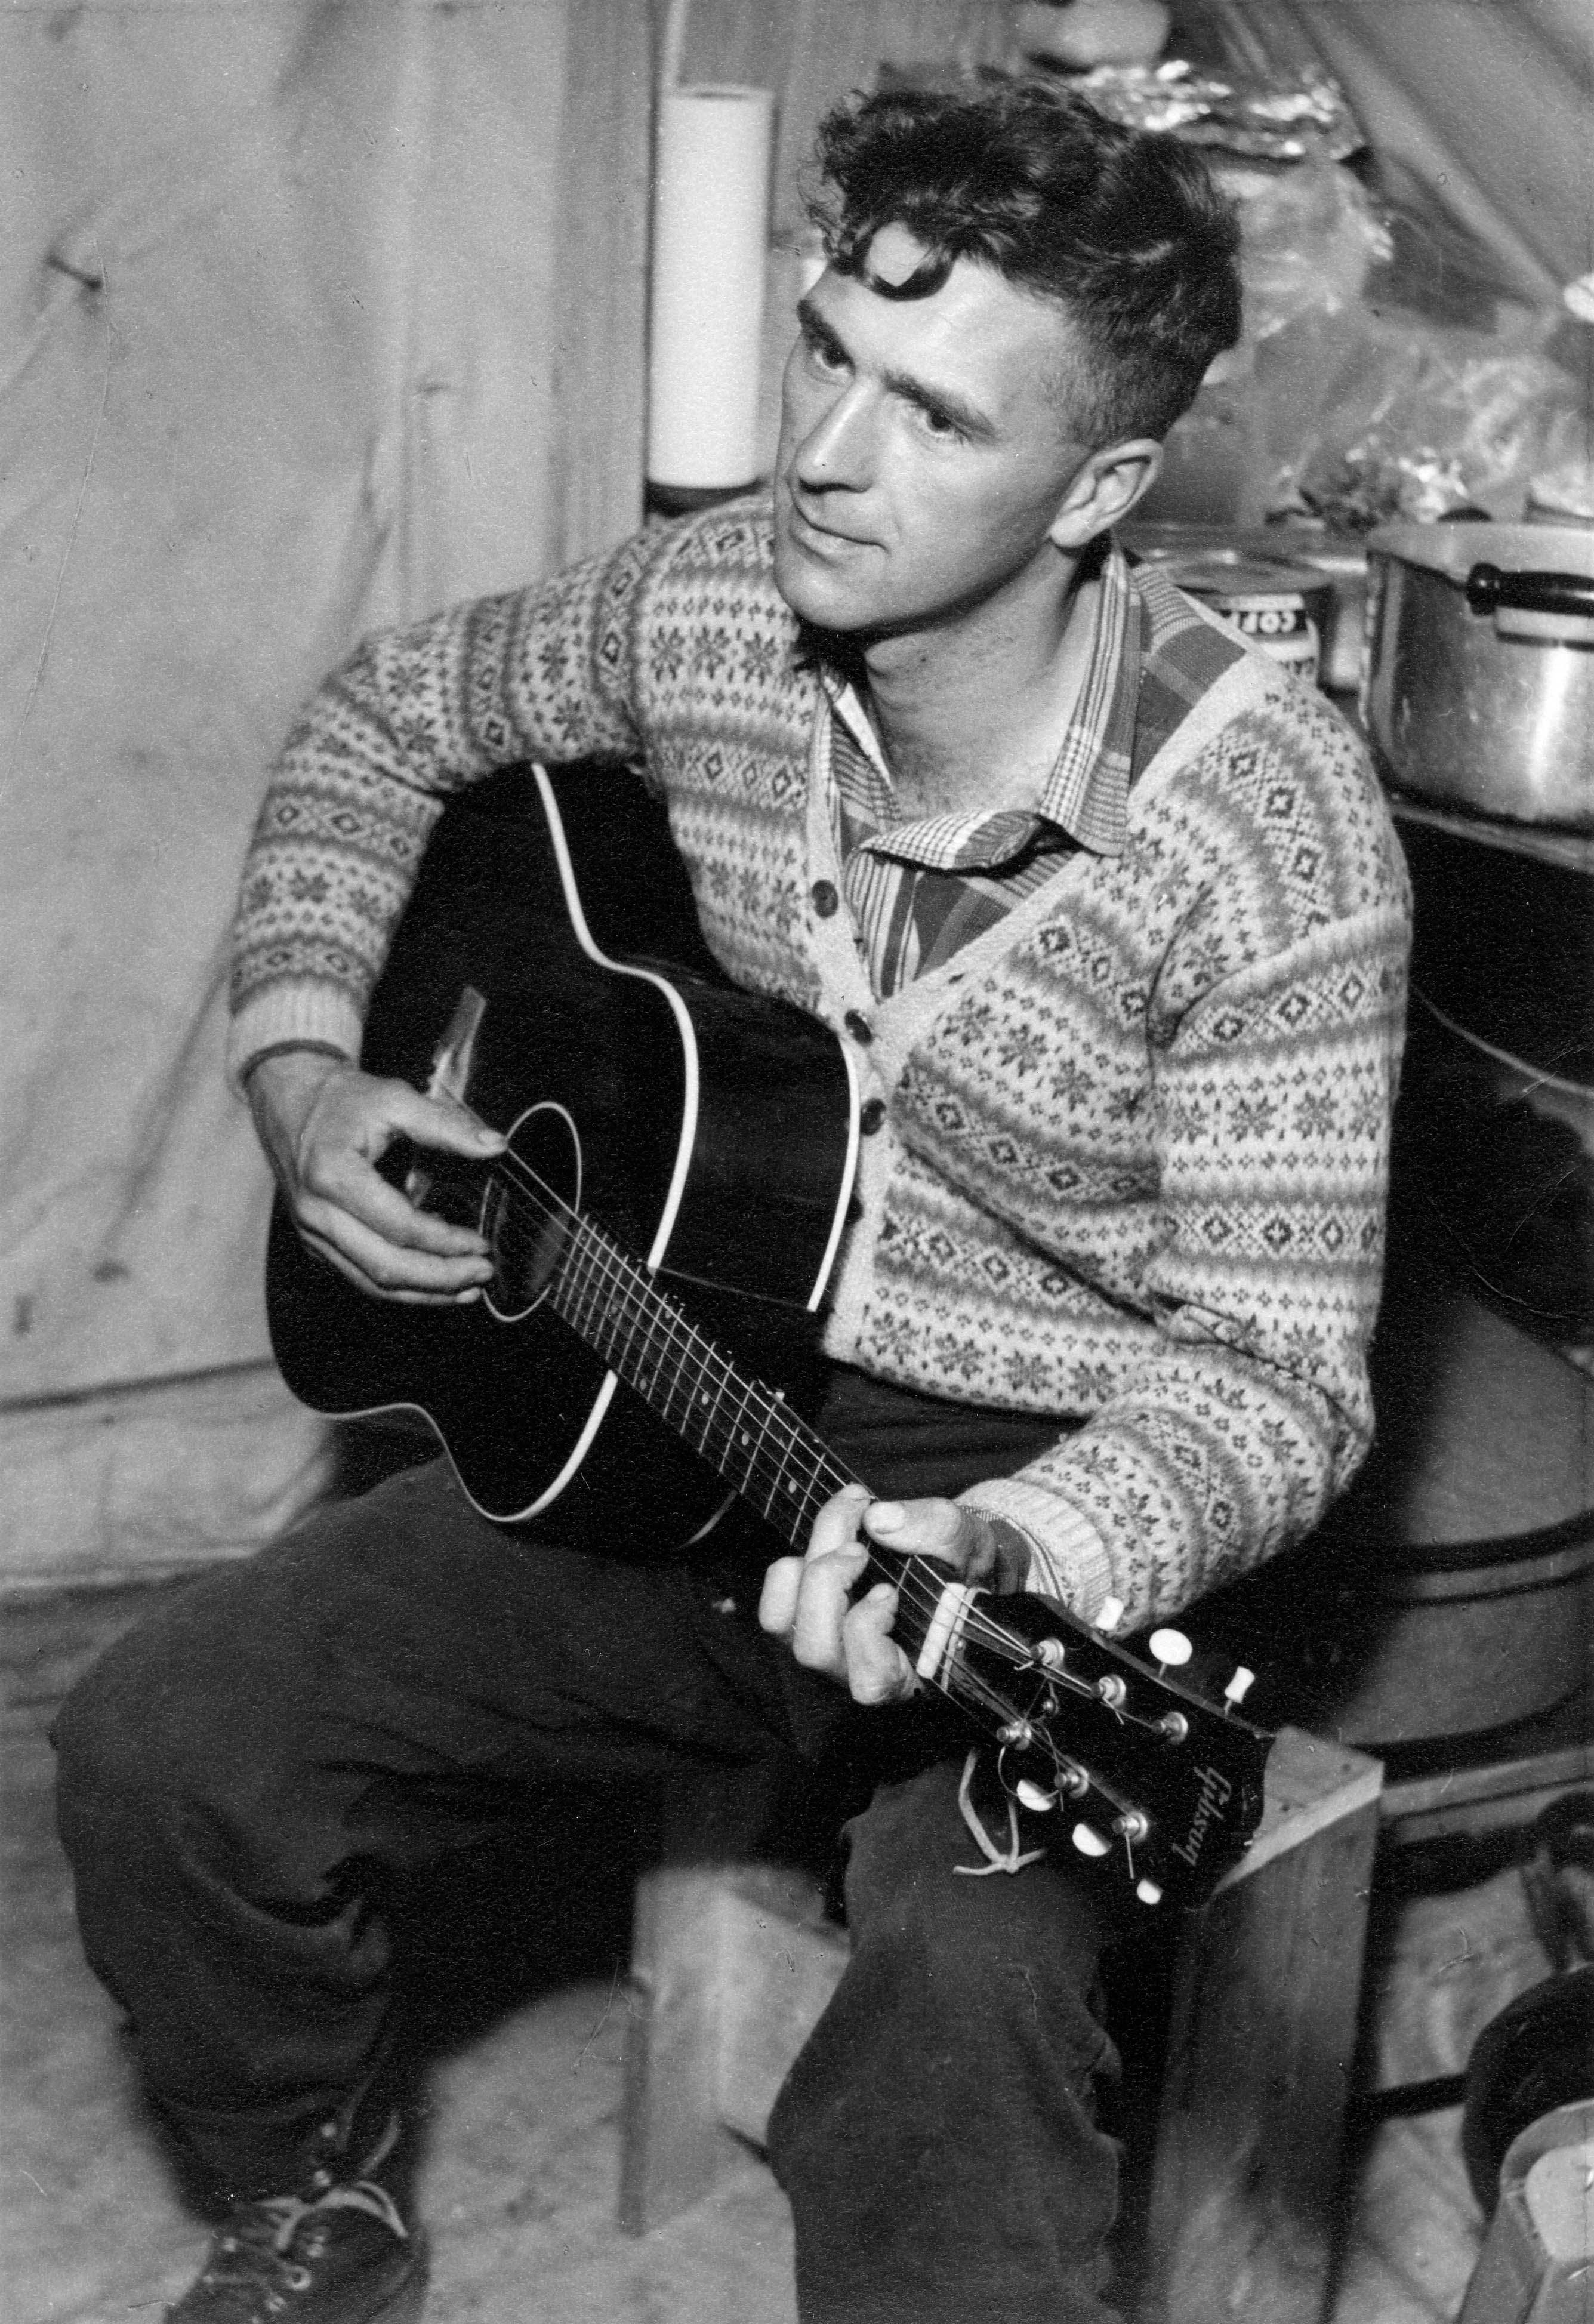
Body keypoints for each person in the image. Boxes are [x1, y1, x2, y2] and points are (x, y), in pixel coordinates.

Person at [54, 79, 1411, 2324]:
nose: (829, 458)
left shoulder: (1268, 831)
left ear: (1093, 491)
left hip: (1043, 1525)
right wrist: (300, 1060)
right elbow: (390, 714)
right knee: (170, 1746)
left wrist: (1020, 1550)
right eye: (825, 357)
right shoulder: (715, 614)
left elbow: (1280, 1389)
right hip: (687, 1405)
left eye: (934, 418)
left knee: (952, 2037)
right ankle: (318, 2199)